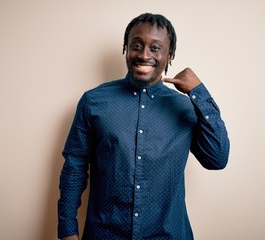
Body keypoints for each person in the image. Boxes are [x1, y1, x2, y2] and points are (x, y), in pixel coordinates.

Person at [58, 13, 230, 240]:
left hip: (168, 235)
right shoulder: (94, 101)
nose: (144, 54)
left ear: (170, 55)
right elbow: (75, 166)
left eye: (155, 48)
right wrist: (67, 231)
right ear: (126, 49)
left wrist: (199, 93)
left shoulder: (186, 107)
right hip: (105, 234)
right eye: (136, 45)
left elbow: (217, 159)